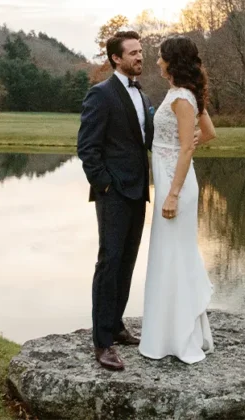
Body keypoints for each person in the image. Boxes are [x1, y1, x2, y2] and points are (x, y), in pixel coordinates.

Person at [77, 30, 154, 372]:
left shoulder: (141, 94)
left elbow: (144, 140)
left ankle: (117, 325)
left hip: (139, 192)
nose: (140, 57)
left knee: (127, 261)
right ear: (116, 59)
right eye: (134, 53)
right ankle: (102, 342)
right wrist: (104, 185)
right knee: (109, 263)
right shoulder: (101, 94)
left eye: (141, 51)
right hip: (114, 194)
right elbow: (88, 148)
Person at [139, 35, 217, 364]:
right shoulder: (180, 93)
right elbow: (208, 132)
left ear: (172, 61)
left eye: (160, 57)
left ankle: (180, 337)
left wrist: (171, 193)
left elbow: (189, 146)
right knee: (168, 254)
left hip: (176, 189)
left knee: (174, 255)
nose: (157, 62)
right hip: (172, 183)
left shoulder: (182, 97)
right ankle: (168, 334)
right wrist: (188, 139)